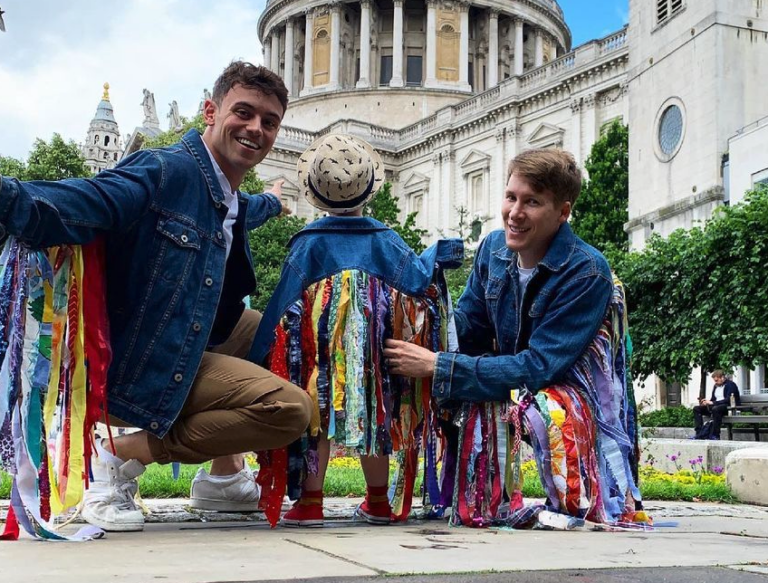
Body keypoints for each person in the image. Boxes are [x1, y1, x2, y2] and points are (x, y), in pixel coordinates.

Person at [0, 61, 312, 532]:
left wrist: (274, 199)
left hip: (185, 333)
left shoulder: (228, 195)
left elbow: (245, 211)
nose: (256, 129)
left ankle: (224, 478)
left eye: (269, 122)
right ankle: (116, 455)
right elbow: (87, 201)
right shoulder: (164, 170)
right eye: (243, 113)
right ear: (209, 111)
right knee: (290, 409)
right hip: (139, 362)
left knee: (295, 333)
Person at [384, 149, 647, 526]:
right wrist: (416, 330)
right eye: (511, 197)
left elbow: (538, 369)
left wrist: (439, 365)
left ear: (563, 212)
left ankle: (571, 498)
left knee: (540, 406)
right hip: (512, 380)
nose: (515, 213)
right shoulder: (493, 249)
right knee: (446, 386)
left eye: (532, 202)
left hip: (566, 395)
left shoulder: (588, 272)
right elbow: (466, 328)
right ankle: (473, 498)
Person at [248, 134, 462, 527]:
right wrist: (439, 253)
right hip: (374, 360)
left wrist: (258, 352)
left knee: (316, 417)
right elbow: (418, 281)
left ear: (314, 194)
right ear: (368, 193)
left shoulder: (308, 245)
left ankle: (311, 502)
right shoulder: (386, 241)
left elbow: (282, 302)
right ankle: (378, 501)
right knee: (374, 417)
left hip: (319, 359)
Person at [694, 370, 740, 440]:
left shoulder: (731, 385)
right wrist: (706, 402)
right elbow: (713, 399)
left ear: (722, 377)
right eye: (714, 380)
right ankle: (699, 433)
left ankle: (715, 435)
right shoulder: (715, 386)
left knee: (716, 409)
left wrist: (713, 403)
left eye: (716, 380)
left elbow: (728, 400)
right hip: (715, 407)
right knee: (697, 409)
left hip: (727, 407)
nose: (715, 382)